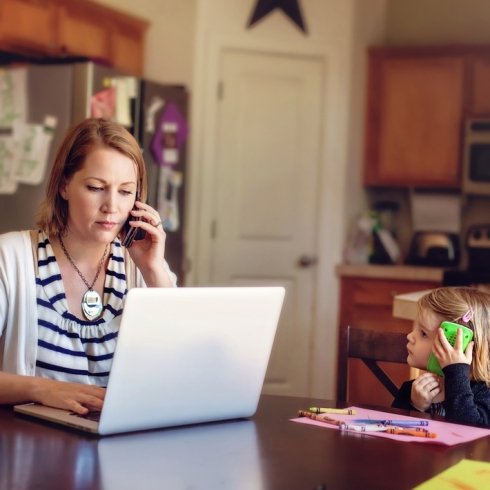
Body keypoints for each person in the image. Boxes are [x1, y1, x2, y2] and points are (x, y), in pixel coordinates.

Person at [0, 118, 177, 415]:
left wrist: (154, 271)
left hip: (123, 448)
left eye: (125, 191)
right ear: (64, 186)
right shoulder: (10, 258)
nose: (112, 206)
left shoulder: (143, 269)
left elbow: (183, 371)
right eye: (96, 187)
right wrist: (41, 388)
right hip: (36, 450)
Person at [392, 287, 490, 426]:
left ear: (457, 345)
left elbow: (470, 433)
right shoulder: (412, 390)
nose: (410, 336)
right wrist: (415, 406)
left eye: (423, 333)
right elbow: (394, 433)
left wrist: (456, 371)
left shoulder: (484, 395)